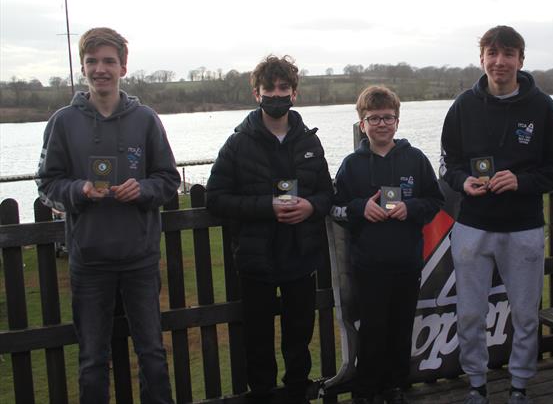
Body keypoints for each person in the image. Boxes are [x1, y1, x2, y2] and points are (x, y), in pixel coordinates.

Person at [36, 27, 180, 403]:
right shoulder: (63, 122)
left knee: (151, 355)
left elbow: (168, 179)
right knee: (92, 361)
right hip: (90, 262)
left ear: (123, 67)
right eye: (92, 61)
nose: (101, 69)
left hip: (140, 260)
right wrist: (78, 191)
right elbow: (48, 184)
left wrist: (143, 189)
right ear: (84, 67)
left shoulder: (146, 119)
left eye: (109, 61)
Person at [440, 25, 553, 404]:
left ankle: (519, 386)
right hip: (472, 227)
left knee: (526, 314)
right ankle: (477, 384)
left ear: (520, 60)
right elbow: (448, 161)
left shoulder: (541, 106)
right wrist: (463, 181)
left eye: (508, 53)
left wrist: (521, 181)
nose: (500, 62)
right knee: (469, 314)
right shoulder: (463, 105)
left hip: (523, 227)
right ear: (481, 59)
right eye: (492, 53)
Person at [205, 55, 333, 403]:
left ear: (295, 93)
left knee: (298, 338)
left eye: (283, 88)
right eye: (269, 89)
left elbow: (326, 193)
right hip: (256, 259)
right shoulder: (238, 143)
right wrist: (266, 207)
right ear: (256, 93)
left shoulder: (309, 141)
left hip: (300, 255)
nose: (276, 94)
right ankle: (261, 395)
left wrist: (310, 206)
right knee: (258, 342)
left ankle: (298, 394)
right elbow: (215, 199)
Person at [332, 86, 444, 404]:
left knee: (400, 329)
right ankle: (366, 391)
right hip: (368, 266)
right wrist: (359, 208)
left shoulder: (415, 159)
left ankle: (395, 387)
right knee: (372, 331)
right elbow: (335, 209)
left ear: (397, 121)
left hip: (407, 263)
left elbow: (434, 200)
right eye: (374, 118)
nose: (381, 124)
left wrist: (413, 209)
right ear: (362, 123)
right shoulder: (351, 165)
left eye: (388, 117)